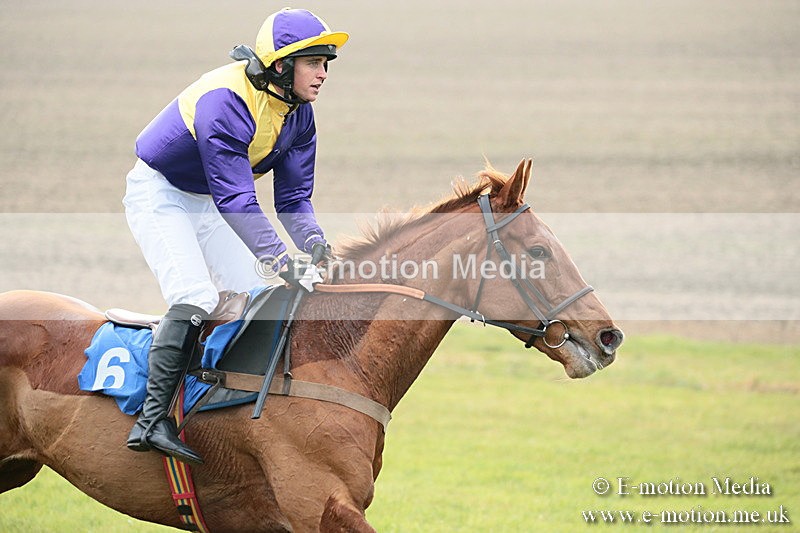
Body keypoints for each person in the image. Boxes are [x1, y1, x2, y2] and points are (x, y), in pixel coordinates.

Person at [123, 8, 348, 465]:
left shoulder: (299, 115)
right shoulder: (225, 100)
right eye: (314, 63)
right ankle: (151, 421)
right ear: (282, 66)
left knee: (260, 294)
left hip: (208, 201)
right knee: (196, 295)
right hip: (160, 194)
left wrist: (317, 245)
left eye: (328, 63)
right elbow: (238, 200)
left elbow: (293, 200)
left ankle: (224, 406)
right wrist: (281, 260)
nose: (324, 74)